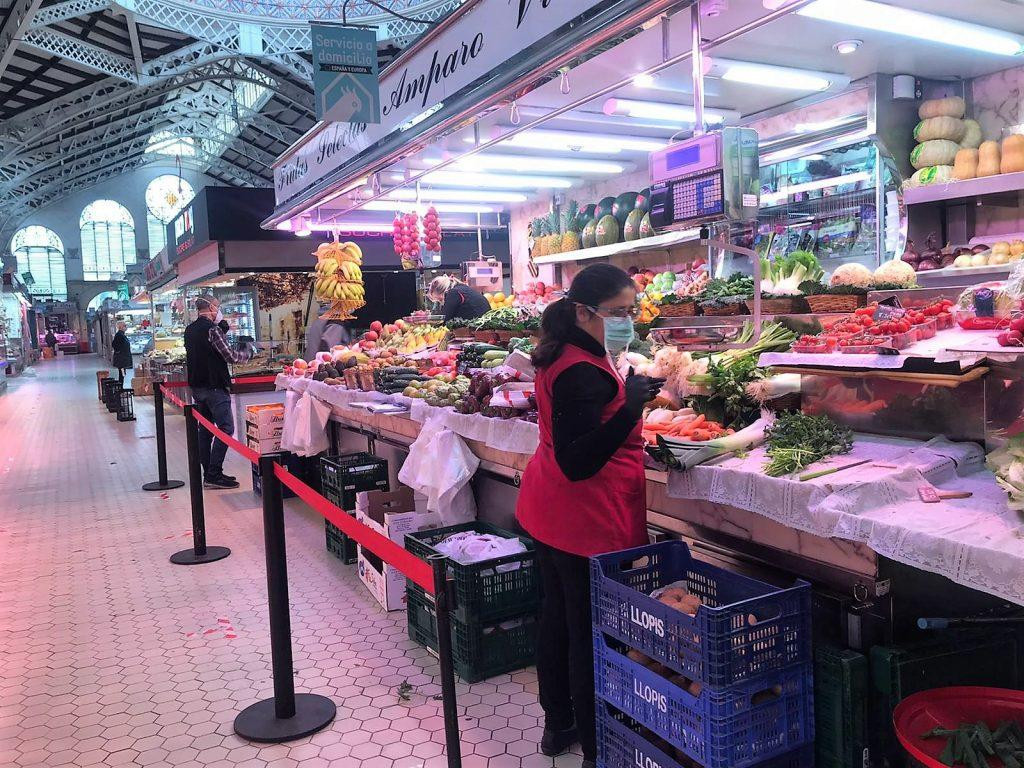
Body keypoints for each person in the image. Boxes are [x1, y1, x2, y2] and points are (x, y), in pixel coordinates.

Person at [515, 264, 665, 768]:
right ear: (584, 311)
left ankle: (558, 727)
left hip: (549, 507)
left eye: (632, 311)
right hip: (582, 515)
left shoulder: (565, 347)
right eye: (619, 312)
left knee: (556, 617)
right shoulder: (581, 368)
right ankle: (599, 752)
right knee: (585, 632)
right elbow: (578, 461)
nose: (628, 320)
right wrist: (630, 409)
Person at [184, 296, 252, 489]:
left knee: (205, 430)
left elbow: (205, 349)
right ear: (212, 308)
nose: (218, 310)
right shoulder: (212, 330)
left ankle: (209, 474)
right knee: (226, 428)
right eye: (218, 307)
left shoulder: (189, 330)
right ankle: (214, 474)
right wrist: (249, 354)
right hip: (215, 387)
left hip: (197, 388)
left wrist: (221, 330)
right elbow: (229, 356)